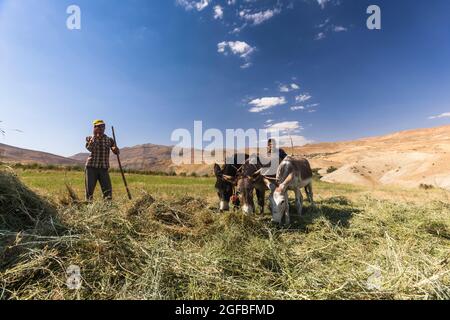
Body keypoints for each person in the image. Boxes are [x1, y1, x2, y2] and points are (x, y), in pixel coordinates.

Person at [84, 120, 120, 201]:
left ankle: (107, 208)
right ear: (94, 128)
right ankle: (88, 207)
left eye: (102, 126)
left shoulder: (109, 139)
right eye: (98, 126)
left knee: (108, 191)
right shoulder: (89, 138)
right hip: (91, 167)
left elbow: (116, 151)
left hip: (104, 168)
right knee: (89, 191)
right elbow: (90, 149)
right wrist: (95, 136)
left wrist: (115, 149)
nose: (101, 128)